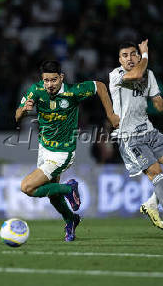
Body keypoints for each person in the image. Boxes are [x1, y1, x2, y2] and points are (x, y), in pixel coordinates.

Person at [15, 60, 119, 241]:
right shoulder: (36, 90)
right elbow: (17, 115)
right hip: (44, 149)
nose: (49, 85)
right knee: (52, 195)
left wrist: (110, 115)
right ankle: (71, 220)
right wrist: (24, 109)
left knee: (27, 187)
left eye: (53, 80)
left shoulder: (73, 91)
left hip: (63, 153)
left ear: (61, 77)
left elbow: (100, 86)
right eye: (46, 80)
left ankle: (69, 187)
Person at [108, 40, 163, 241]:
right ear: (120, 60)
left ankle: (151, 203)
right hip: (130, 138)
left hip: (149, 132)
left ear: (137, 56)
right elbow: (137, 74)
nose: (129, 58)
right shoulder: (116, 75)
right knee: (158, 177)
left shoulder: (150, 74)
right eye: (125, 55)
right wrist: (145, 55)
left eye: (133, 54)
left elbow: (156, 101)